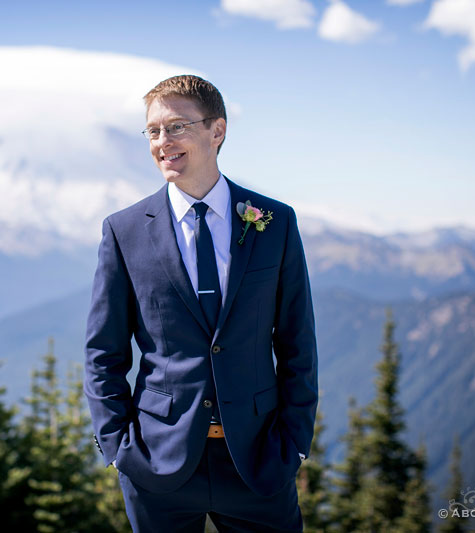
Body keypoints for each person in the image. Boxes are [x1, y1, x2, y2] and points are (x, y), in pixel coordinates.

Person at [84, 74, 318, 533]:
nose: (162, 142)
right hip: (157, 464)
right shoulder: (123, 230)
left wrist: (295, 443)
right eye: (153, 130)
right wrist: (118, 447)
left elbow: (298, 342)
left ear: (217, 131)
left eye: (176, 126)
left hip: (258, 461)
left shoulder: (275, 222)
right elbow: (102, 351)